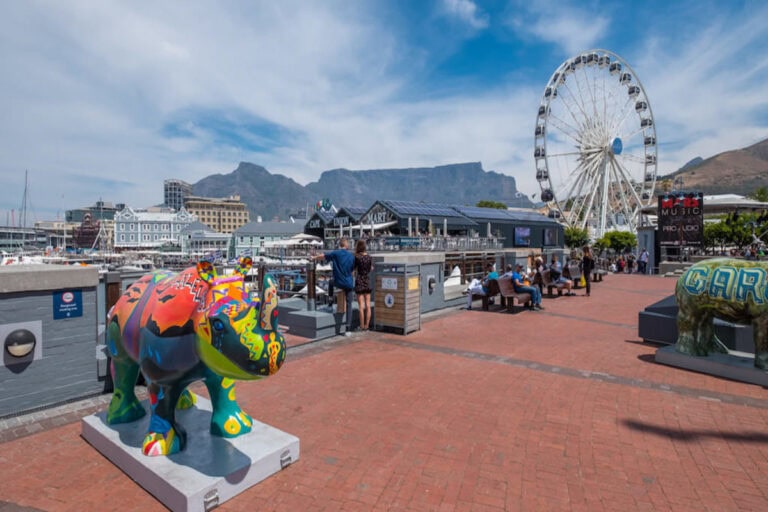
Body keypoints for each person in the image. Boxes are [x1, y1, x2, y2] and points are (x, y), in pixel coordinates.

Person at [313, 237, 356, 335]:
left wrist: (314, 258)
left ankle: (330, 303)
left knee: (330, 283)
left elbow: (323, 256)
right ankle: (348, 329)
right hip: (349, 283)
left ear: (339, 245)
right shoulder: (351, 256)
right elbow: (353, 270)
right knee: (349, 304)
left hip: (339, 282)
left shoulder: (336, 253)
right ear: (346, 245)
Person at [353, 239, 372, 331]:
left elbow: (354, 269)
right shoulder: (369, 257)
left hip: (359, 279)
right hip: (367, 280)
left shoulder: (357, 257)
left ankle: (361, 326)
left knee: (361, 306)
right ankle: (367, 326)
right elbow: (370, 268)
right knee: (368, 305)